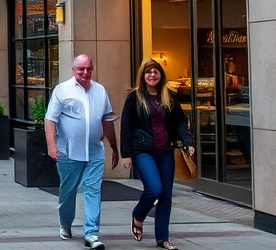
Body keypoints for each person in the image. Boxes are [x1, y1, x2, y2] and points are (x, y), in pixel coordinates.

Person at [45, 54, 119, 250]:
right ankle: (66, 223)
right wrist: (51, 145)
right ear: (73, 70)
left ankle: (92, 233)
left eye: (88, 69)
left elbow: (107, 120)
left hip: (95, 151)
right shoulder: (62, 90)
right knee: (68, 191)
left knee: (93, 190)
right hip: (68, 152)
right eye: (81, 69)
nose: (85, 73)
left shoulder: (100, 90)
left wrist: (114, 146)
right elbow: (50, 120)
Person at [121, 60, 195, 250]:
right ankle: (138, 214)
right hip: (143, 151)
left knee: (166, 196)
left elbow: (180, 122)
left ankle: (162, 238)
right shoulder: (134, 97)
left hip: (165, 152)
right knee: (154, 188)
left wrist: (188, 142)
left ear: (161, 74)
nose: (152, 75)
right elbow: (126, 126)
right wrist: (126, 154)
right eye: (148, 72)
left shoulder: (169, 96)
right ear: (143, 76)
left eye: (155, 72)